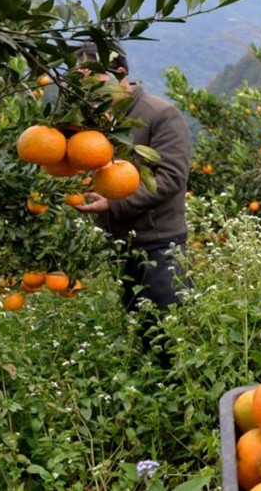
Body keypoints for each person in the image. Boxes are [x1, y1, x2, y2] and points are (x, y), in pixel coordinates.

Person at [72, 42, 193, 364]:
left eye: (91, 81)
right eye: (79, 82)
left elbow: (171, 178)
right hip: (120, 244)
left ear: (119, 73)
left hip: (159, 244)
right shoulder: (98, 123)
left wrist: (113, 206)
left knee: (172, 336)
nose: (85, 90)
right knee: (142, 334)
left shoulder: (159, 115)